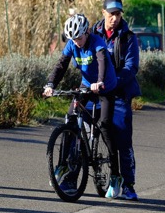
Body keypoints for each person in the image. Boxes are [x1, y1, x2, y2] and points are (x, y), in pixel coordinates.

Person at [42, 14, 122, 198]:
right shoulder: (72, 44)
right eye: (72, 39)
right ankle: (62, 164)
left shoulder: (97, 42)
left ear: (86, 32)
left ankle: (116, 176)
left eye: (78, 37)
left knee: (104, 125)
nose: (76, 42)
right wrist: (50, 84)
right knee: (70, 118)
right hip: (87, 84)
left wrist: (100, 82)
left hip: (105, 87)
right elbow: (61, 65)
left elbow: (102, 61)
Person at [92, 0, 141, 201]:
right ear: (103, 13)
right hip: (97, 90)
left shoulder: (129, 37)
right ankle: (69, 173)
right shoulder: (93, 33)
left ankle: (128, 184)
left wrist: (111, 82)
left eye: (118, 14)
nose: (114, 17)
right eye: (111, 14)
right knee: (78, 120)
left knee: (122, 138)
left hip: (119, 91)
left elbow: (131, 67)